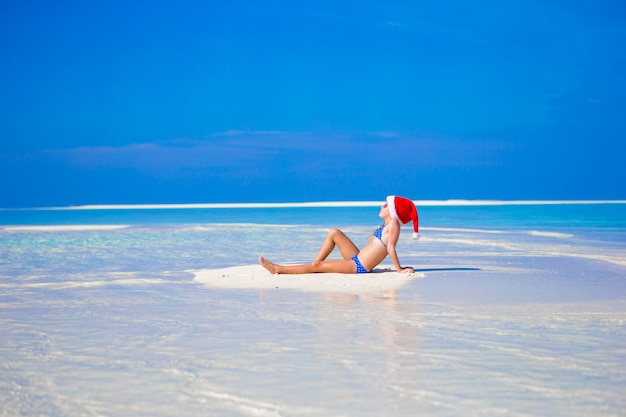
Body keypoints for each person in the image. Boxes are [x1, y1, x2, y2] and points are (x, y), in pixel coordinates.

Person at [259, 196, 419, 274]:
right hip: (357, 257)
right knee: (334, 232)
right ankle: (315, 263)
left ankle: (278, 269)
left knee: (319, 267)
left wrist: (399, 269)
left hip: (359, 266)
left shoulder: (394, 225)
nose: (381, 206)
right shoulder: (387, 224)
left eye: (385, 205)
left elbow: (391, 247)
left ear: (392, 211)